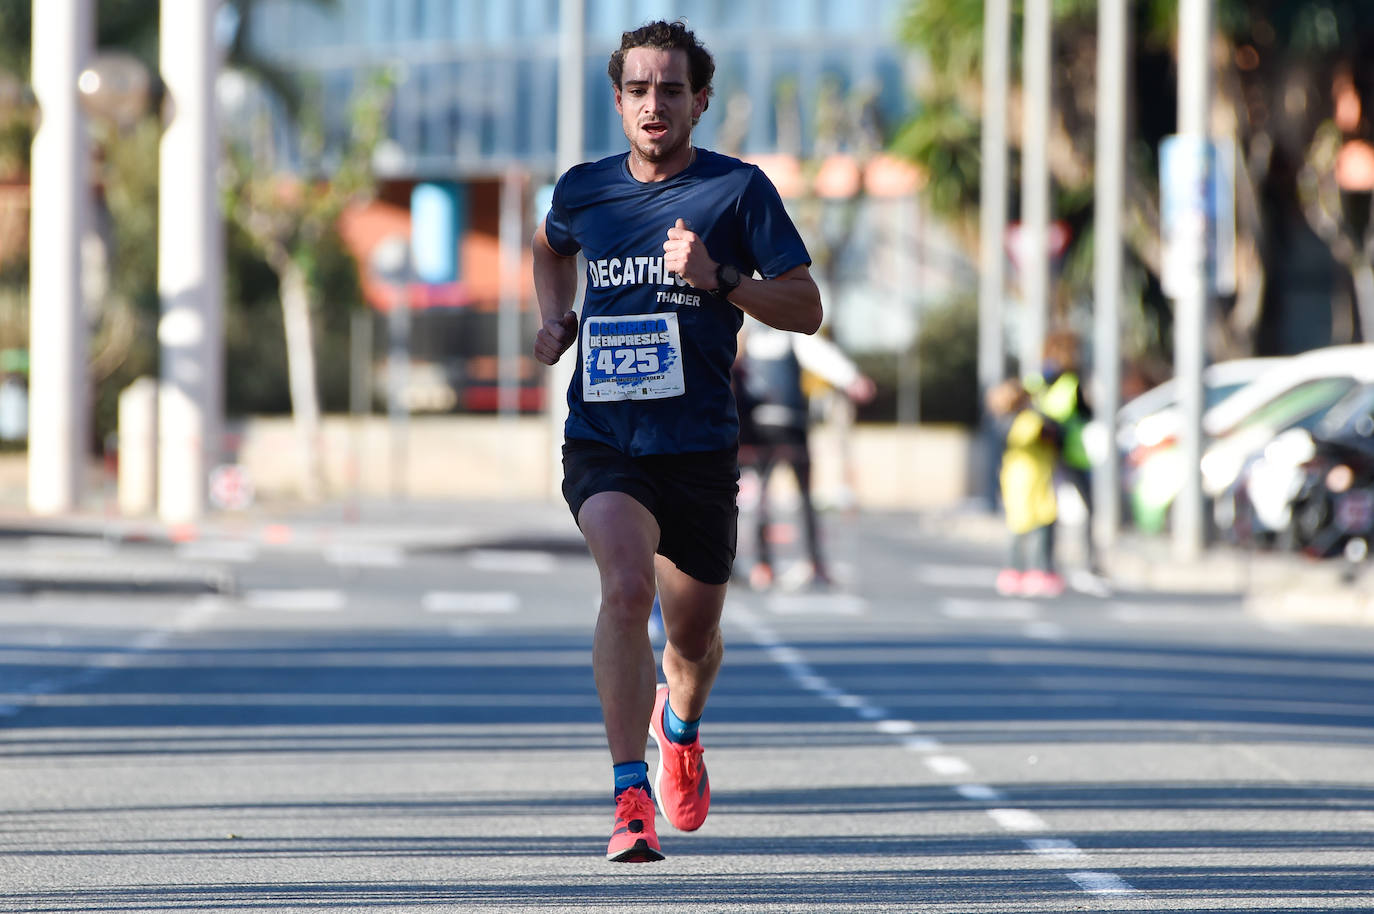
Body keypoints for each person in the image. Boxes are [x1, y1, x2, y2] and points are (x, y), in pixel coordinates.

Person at [530, 20, 822, 864]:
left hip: (697, 446)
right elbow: (549, 248)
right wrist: (552, 321)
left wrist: (721, 279)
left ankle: (680, 729)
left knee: (691, 641)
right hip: (606, 439)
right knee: (625, 590)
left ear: (699, 100)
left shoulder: (739, 193)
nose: (653, 104)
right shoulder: (586, 190)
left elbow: (806, 308)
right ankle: (629, 797)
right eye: (637, 89)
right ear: (619, 101)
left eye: (669, 90)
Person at [733, 317, 874, 590]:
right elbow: (822, 357)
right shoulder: (790, 333)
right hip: (792, 425)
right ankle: (814, 563)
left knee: (762, 496)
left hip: (760, 426)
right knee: (805, 496)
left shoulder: (746, 340)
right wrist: (853, 379)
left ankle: (764, 566)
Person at [1026, 330, 1101, 580]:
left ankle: (1043, 563)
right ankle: (1085, 561)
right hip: (1071, 452)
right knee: (1086, 507)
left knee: (1047, 508)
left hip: (1044, 451)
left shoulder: (1038, 380)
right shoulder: (1071, 382)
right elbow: (1084, 413)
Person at [987, 378, 1064, 597]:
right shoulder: (1030, 421)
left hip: (1014, 478)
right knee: (1041, 524)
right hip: (1034, 478)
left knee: (1017, 525)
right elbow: (1052, 437)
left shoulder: (1002, 422)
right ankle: (1039, 571)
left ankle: (1013, 572)